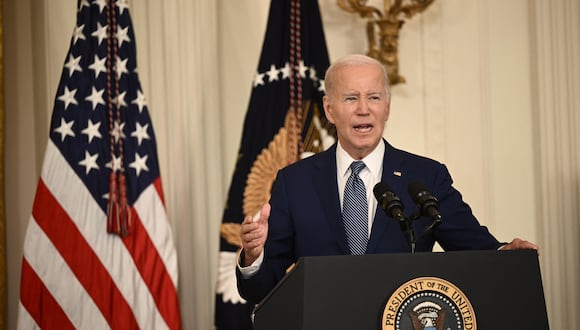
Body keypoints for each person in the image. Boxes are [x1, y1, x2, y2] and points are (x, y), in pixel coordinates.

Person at [236, 54, 538, 303]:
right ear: (329, 109)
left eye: (374, 97)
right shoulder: (295, 181)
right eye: (351, 98)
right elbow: (261, 289)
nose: (364, 110)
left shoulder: (425, 176)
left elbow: (472, 244)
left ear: (387, 107)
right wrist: (253, 255)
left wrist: (505, 255)